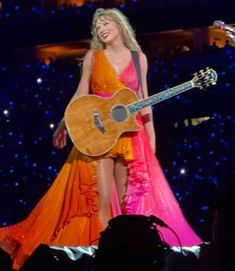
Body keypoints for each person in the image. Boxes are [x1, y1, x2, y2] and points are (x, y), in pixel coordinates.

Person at [0, 8, 202, 270]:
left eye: (105, 22)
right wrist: (63, 125)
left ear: (119, 25)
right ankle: (104, 254)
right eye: (97, 26)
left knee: (128, 199)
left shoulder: (138, 58)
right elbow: (80, 93)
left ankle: (126, 254)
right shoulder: (93, 57)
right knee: (101, 197)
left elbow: (144, 100)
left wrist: (151, 138)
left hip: (131, 133)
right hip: (99, 132)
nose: (101, 28)